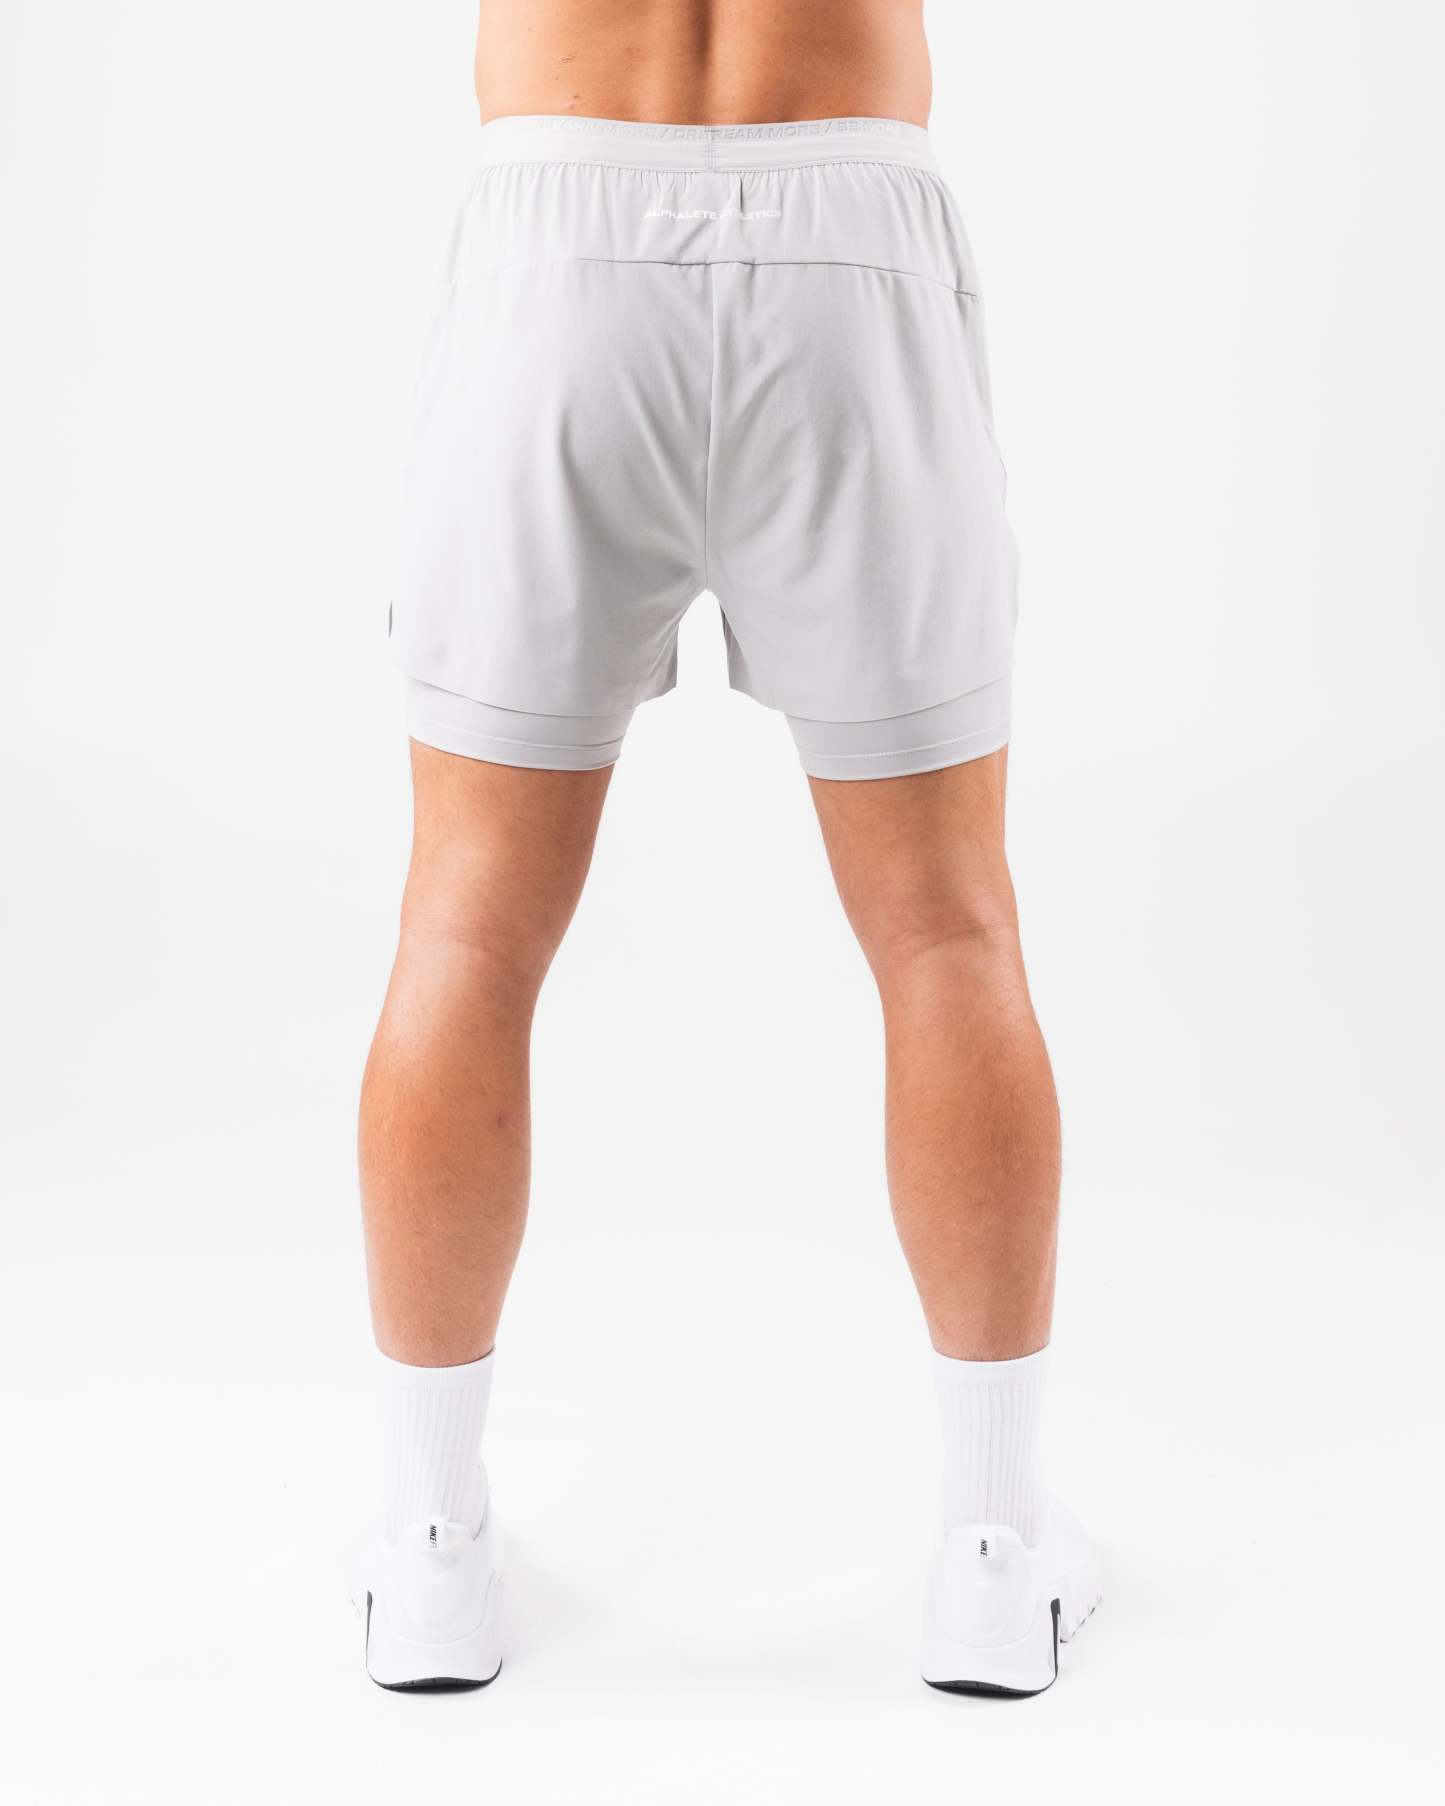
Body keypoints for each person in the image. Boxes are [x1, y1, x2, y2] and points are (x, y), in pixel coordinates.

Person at [351, 0, 1101, 1696]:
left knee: (463, 927)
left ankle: (430, 1548)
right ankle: (993, 1562)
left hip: (559, 227)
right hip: (846, 224)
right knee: (948, 931)